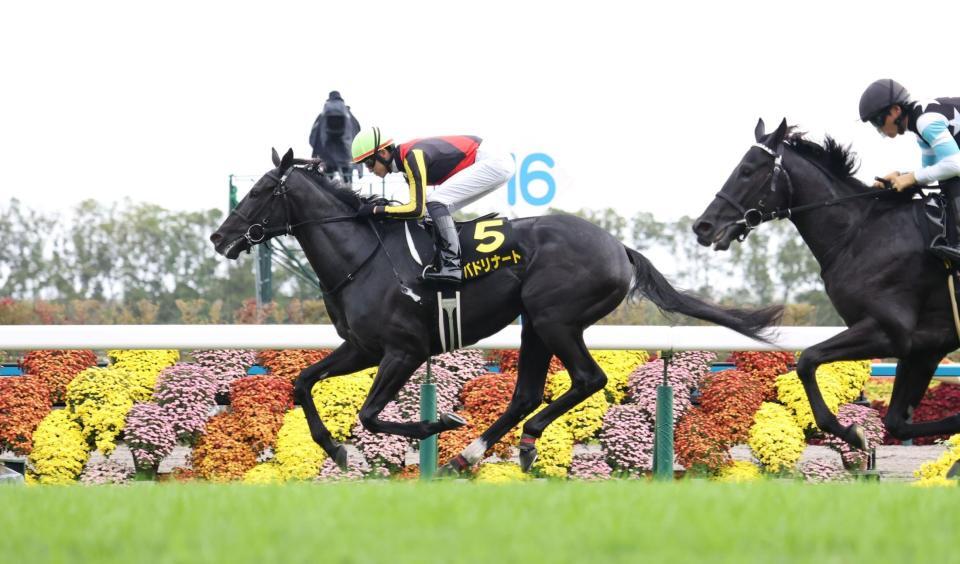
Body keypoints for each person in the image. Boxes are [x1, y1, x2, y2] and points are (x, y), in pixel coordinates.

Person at [350, 128, 515, 283]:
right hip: (492, 162)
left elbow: (416, 209)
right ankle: (446, 259)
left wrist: (377, 210)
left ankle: (451, 265)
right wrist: (383, 209)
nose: (370, 169)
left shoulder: (412, 157)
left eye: (369, 163)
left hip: (492, 160)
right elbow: (419, 213)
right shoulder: (406, 165)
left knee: (434, 202)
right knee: (431, 210)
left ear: (383, 153)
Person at [859, 79, 960, 262]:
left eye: (878, 119)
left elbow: (955, 165)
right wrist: (901, 177)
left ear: (896, 110)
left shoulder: (925, 122)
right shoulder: (920, 129)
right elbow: (930, 171)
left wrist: (912, 177)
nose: (879, 127)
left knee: (952, 181)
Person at [309, 91, 362, 187]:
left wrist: (319, 153)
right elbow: (357, 135)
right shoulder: (349, 116)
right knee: (348, 185)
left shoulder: (322, 116)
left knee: (327, 186)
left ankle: (327, 199)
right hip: (346, 156)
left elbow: (312, 138)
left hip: (327, 157)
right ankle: (350, 196)